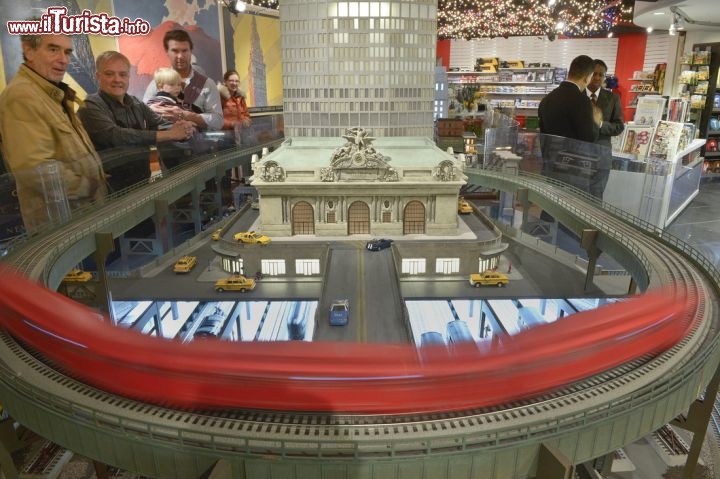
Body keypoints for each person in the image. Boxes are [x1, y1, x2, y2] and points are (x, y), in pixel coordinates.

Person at [0, 33, 107, 234]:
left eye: (67, 52)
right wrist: (89, 187)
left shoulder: (52, 94)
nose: (63, 60)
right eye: (53, 49)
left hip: (83, 218)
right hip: (63, 228)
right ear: (28, 51)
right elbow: (34, 168)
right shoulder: (22, 96)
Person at [78, 51, 196, 190]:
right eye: (109, 74)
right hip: (110, 190)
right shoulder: (90, 106)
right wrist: (170, 134)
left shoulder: (135, 103)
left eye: (122, 74)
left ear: (128, 77)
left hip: (141, 183)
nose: (117, 79)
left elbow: (160, 123)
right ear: (98, 76)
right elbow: (115, 135)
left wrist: (183, 128)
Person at [142, 29, 223, 132]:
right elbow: (143, 116)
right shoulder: (155, 84)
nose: (180, 56)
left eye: (184, 50)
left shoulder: (208, 84)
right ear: (167, 52)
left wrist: (185, 115)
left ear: (191, 51)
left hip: (198, 145)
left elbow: (218, 122)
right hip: (166, 145)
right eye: (175, 51)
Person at [538, 54, 602, 143]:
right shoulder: (582, 101)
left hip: (549, 155)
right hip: (572, 155)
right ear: (587, 78)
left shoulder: (546, 99)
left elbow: (543, 135)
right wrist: (596, 122)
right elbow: (588, 139)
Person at [587, 59, 624, 149]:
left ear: (604, 77)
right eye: (594, 74)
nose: (597, 78)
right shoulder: (577, 96)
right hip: (578, 148)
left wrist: (600, 124)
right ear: (588, 74)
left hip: (601, 151)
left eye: (601, 75)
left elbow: (619, 126)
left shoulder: (613, 98)